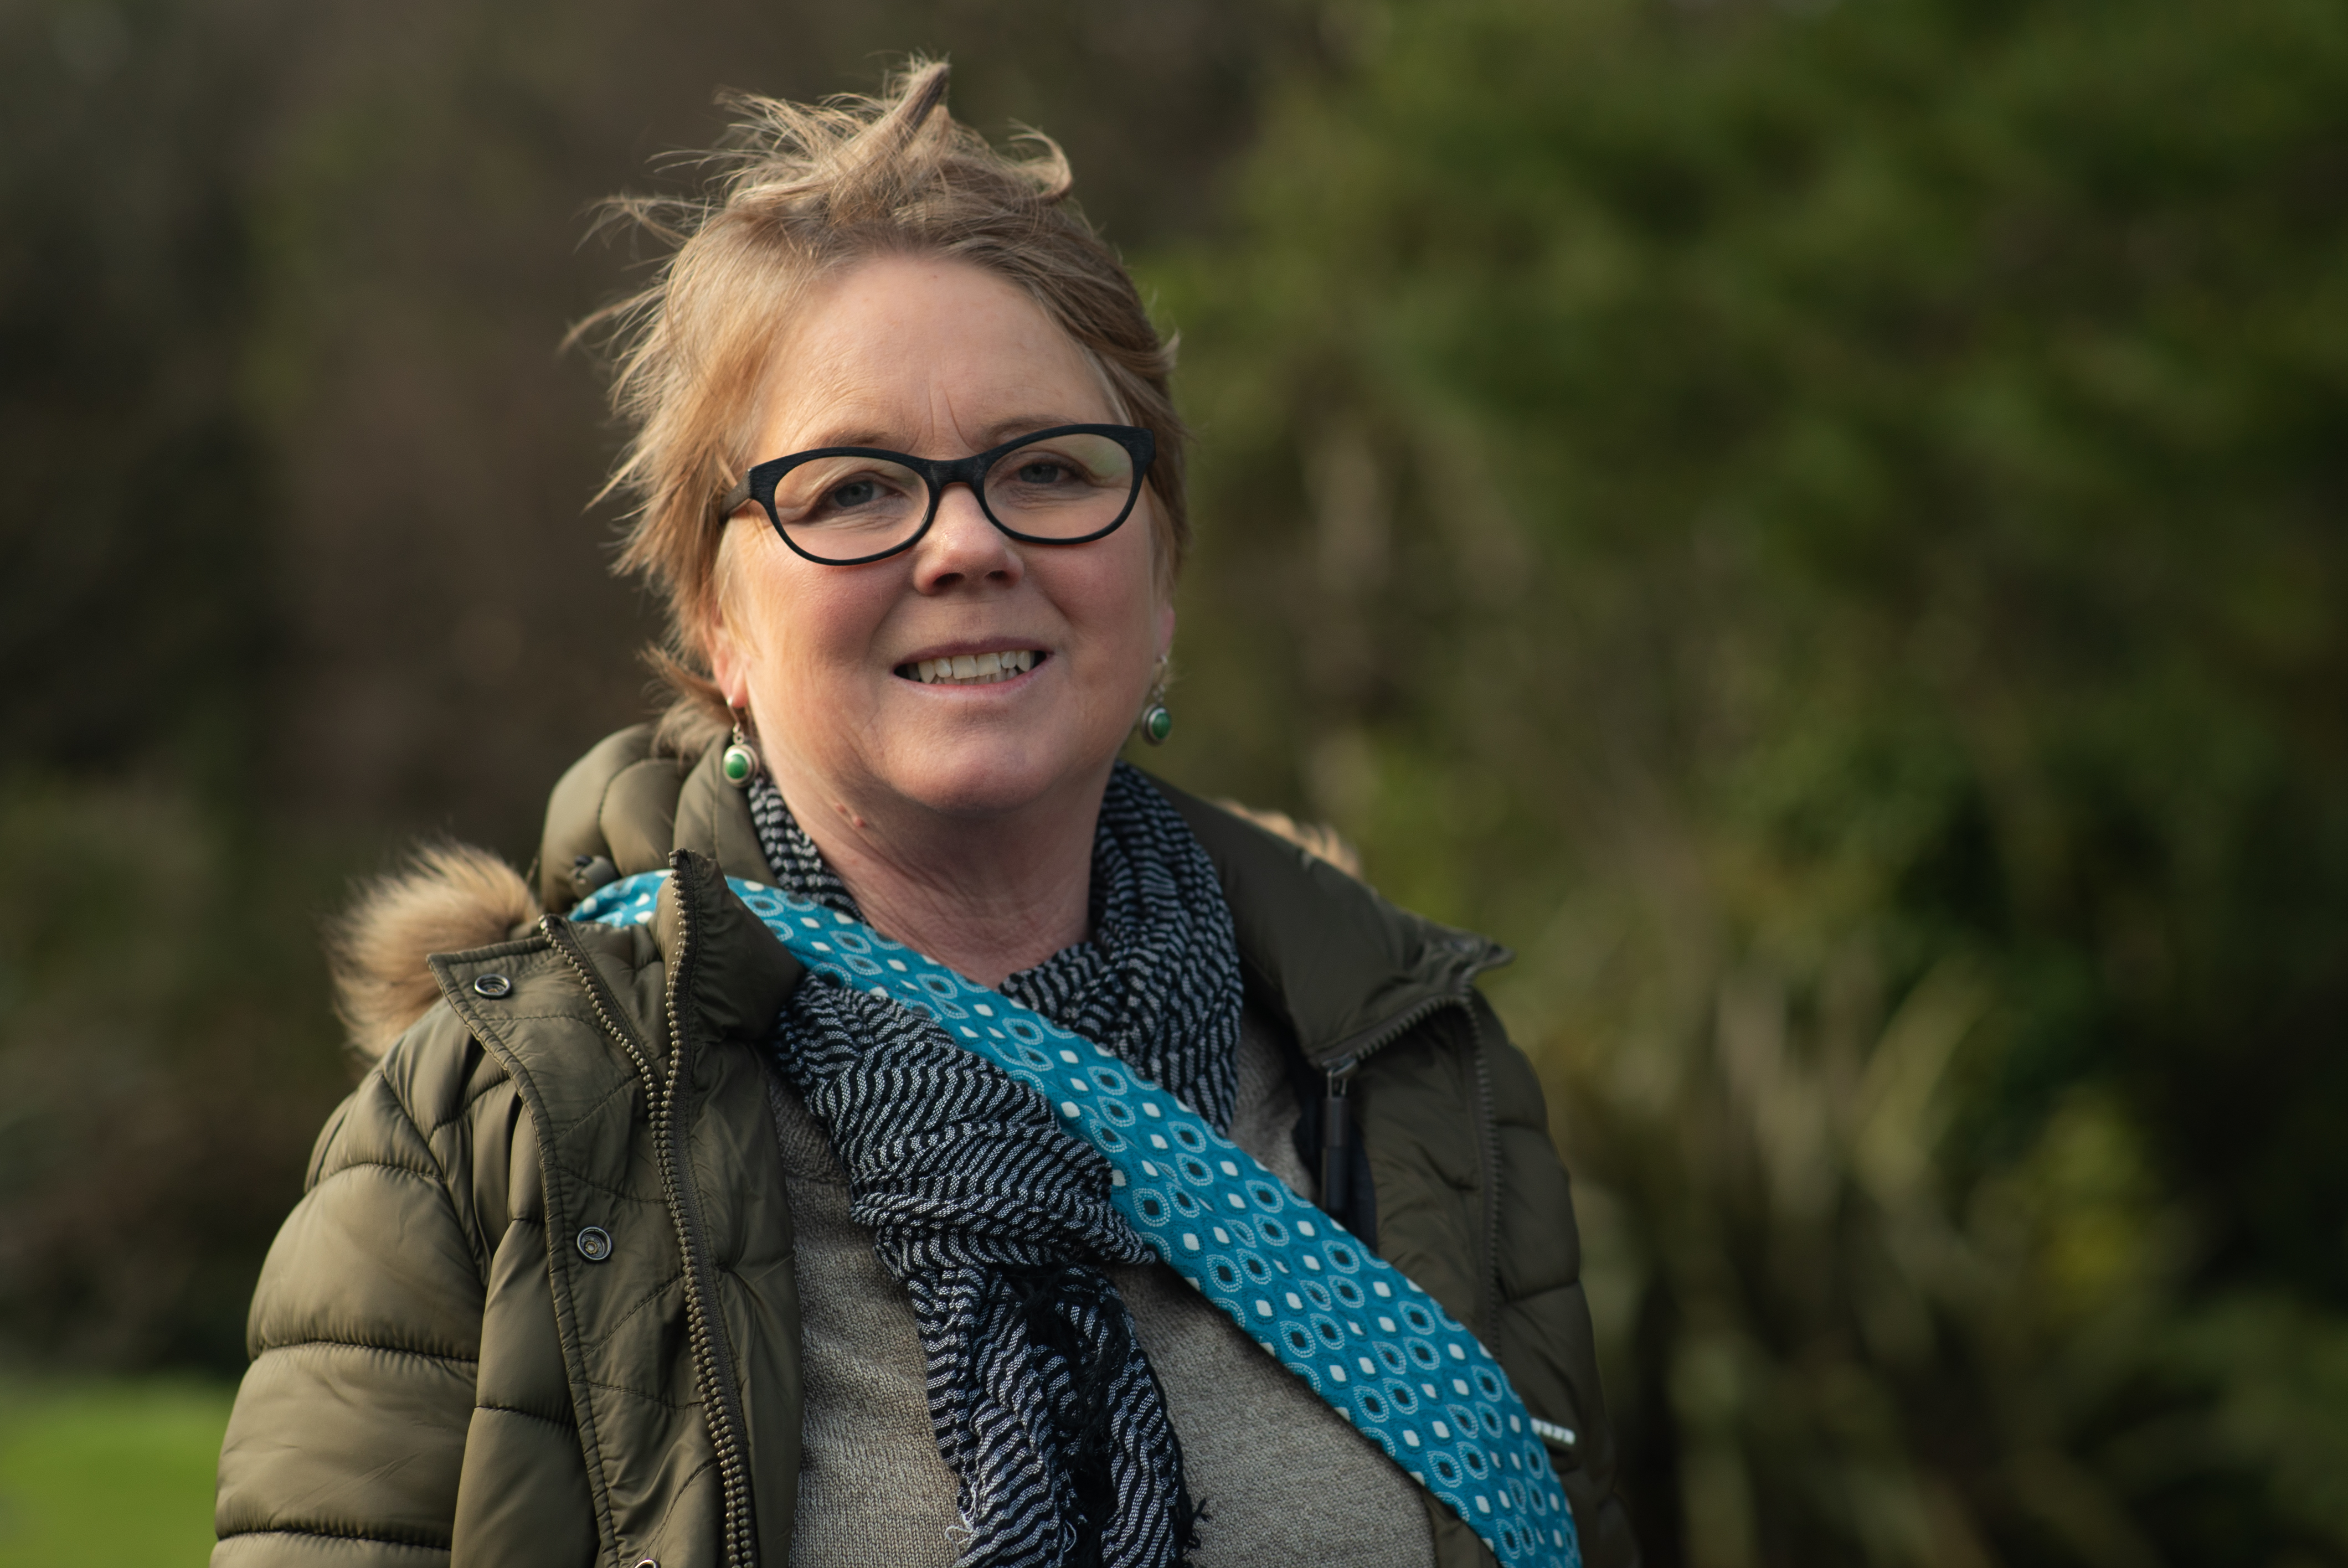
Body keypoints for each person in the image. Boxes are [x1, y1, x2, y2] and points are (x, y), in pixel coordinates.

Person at [211, 62, 1638, 1568]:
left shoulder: (1418, 1081)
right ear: (720, 621)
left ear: (1159, 581)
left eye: (1048, 468)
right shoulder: (490, 1129)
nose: (967, 541)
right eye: (854, 491)